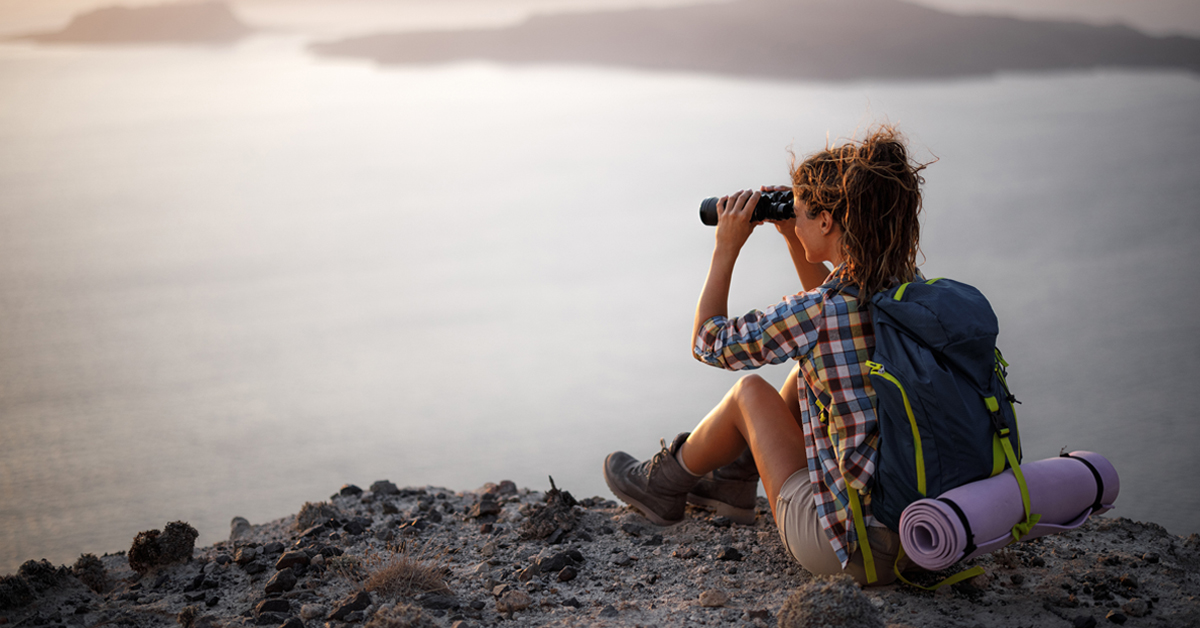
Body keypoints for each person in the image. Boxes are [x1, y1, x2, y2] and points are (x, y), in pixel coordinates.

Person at [603, 125, 926, 586]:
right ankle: (733, 478)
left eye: (802, 212)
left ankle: (663, 485)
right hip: (931, 535)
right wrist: (796, 236)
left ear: (828, 222)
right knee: (807, 372)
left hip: (852, 552)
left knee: (749, 392)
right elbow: (835, 311)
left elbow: (708, 342)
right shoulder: (915, 295)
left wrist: (725, 249)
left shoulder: (818, 314)